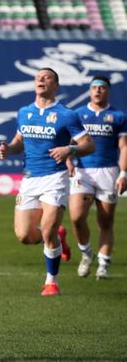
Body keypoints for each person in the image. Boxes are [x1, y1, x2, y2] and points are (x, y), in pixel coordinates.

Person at [0, 67, 95, 297]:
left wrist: (69, 149)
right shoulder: (24, 112)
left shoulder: (67, 114)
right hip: (30, 178)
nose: (41, 79)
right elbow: (19, 140)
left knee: (48, 230)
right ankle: (59, 236)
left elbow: (89, 145)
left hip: (55, 177)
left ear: (56, 85)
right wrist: (8, 148)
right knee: (25, 236)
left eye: (47, 77)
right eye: (38, 77)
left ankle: (51, 282)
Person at [67, 75, 127, 279]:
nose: (98, 91)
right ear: (90, 91)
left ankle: (103, 264)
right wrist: (68, 161)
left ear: (108, 91)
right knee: (76, 217)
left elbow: (124, 147)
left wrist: (124, 173)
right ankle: (86, 253)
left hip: (108, 172)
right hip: (83, 171)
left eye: (102, 88)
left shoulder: (118, 116)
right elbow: (69, 143)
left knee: (106, 221)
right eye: (94, 87)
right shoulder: (78, 114)